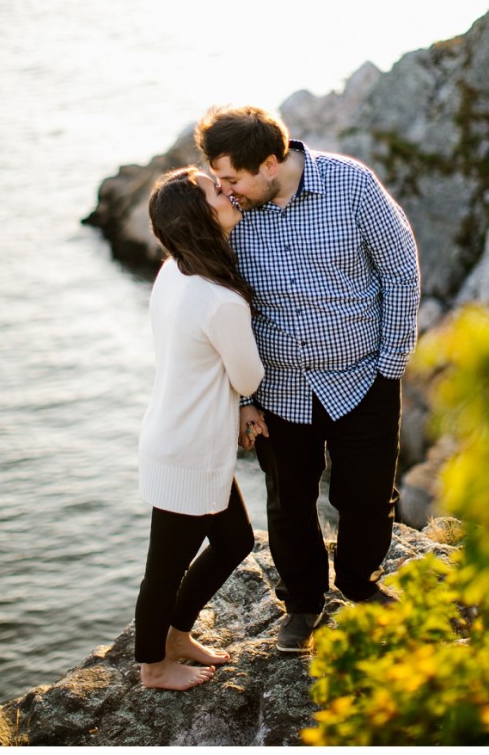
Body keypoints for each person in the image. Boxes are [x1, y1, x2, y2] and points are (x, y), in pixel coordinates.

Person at [194, 105, 420, 654]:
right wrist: (245, 397)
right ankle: (303, 604)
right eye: (219, 179)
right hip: (278, 389)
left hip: (364, 376)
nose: (224, 190)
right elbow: (225, 304)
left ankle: (360, 584)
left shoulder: (351, 184)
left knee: (366, 497)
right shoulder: (231, 214)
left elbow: (401, 269)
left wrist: (390, 366)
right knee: (288, 501)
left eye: (232, 178)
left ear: (270, 163)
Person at [134, 166, 267, 690]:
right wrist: (245, 402)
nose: (228, 191)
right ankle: (153, 667)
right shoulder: (219, 300)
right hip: (188, 450)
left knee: (233, 540)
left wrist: (234, 406)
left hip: (180, 438)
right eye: (217, 190)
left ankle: (175, 636)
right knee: (164, 568)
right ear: (201, 216)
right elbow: (249, 375)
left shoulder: (175, 272)